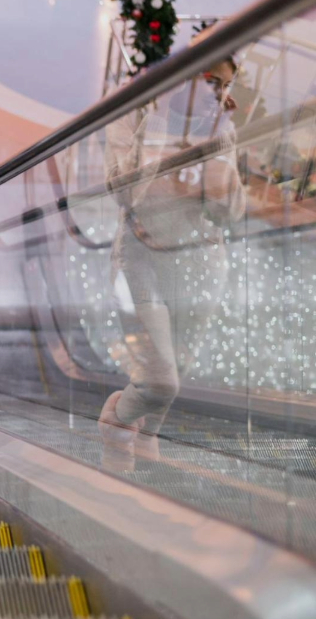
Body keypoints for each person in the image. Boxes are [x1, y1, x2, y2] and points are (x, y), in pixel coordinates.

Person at [98, 28, 245, 472]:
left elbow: (228, 212)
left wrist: (217, 150)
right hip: (142, 255)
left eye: (225, 85)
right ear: (184, 74)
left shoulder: (222, 126)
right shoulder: (132, 112)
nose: (218, 94)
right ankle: (117, 421)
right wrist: (164, 125)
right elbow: (123, 192)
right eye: (210, 81)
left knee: (175, 370)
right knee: (162, 380)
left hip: (201, 261)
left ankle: (146, 439)